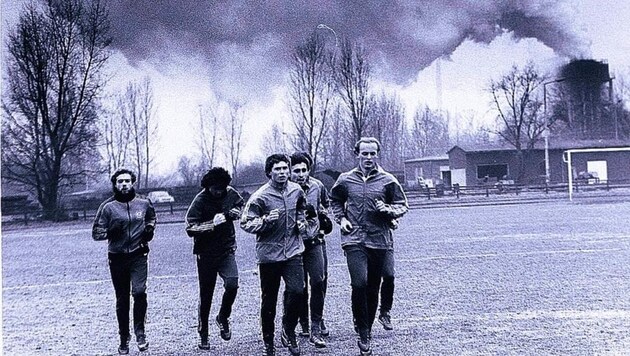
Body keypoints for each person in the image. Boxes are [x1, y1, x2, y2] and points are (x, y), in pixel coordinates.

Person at [329, 137, 408, 356]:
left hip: (379, 239)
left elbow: (402, 205)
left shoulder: (388, 180)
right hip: (353, 238)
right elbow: (334, 200)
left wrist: (388, 210)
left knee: (373, 286)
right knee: (359, 283)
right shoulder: (346, 180)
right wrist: (341, 218)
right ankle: (362, 331)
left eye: (373, 154)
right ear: (357, 155)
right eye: (365, 154)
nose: (369, 158)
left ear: (377, 155)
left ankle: (368, 328)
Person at [240, 153, 313, 356]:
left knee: (298, 291)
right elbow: (245, 223)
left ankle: (288, 330)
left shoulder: (297, 190)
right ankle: (268, 342)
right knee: (269, 299)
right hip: (269, 255)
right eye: (277, 169)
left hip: (293, 251)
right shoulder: (260, 196)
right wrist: (265, 221)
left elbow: (302, 209)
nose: (282, 172)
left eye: (284, 169)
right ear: (269, 172)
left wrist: (301, 223)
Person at [92, 169, 157, 355]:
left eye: (127, 181)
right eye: (120, 181)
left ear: (133, 182)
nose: (124, 184)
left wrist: (149, 229)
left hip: (138, 255)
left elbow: (151, 217)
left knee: (139, 291)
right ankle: (123, 337)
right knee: (122, 299)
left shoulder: (144, 203)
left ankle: (140, 332)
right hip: (117, 257)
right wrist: (110, 232)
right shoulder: (107, 207)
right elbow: (96, 233)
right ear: (115, 184)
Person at [185, 167, 244, 350]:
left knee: (232, 284)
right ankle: (203, 333)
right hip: (206, 253)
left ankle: (223, 317)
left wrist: (236, 212)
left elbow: (240, 205)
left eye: (222, 188)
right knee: (206, 294)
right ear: (208, 187)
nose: (219, 192)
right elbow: (190, 227)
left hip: (226, 249)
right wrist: (211, 224)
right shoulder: (200, 200)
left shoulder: (230, 193)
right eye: (215, 189)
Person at [289, 152, 332, 348]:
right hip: (293, 245)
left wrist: (322, 221)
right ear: (290, 171)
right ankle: (301, 321)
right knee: (297, 287)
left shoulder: (317, 186)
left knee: (318, 281)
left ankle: (316, 324)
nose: (300, 174)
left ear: (309, 170)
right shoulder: (286, 190)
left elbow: (325, 204)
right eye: (296, 170)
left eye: (304, 170)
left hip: (314, 242)